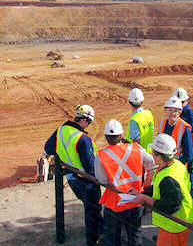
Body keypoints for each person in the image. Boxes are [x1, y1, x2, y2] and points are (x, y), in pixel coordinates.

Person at [44, 105, 101, 246]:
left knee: (91, 208)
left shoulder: (61, 130)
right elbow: (90, 166)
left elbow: (48, 148)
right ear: (83, 121)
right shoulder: (82, 139)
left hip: (71, 178)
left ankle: (101, 228)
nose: (88, 125)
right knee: (92, 211)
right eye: (88, 123)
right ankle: (92, 241)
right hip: (86, 181)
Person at [95, 119, 156, 246]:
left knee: (113, 237)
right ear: (121, 135)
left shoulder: (101, 155)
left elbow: (102, 180)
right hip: (135, 199)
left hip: (115, 202)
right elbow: (151, 161)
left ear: (106, 137)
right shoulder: (135, 149)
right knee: (135, 235)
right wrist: (148, 179)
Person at [130, 134, 193, 246]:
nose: (151, 154)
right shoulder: (176, 165)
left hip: (173, 226)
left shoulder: (168, 178)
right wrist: (142, 193)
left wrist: (145, 199)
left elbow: (169, 206)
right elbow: (159, 189)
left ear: (160, 157)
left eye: (153, 153)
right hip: (182, 220)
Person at [158, 96, 193, 198]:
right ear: (165, 110)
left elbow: (189, 155)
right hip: (163, 166)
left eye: (175, 111)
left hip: (178, 168)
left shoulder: (184, 128)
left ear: (180, 113)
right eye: (170, 110)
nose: (172, 113)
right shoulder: (162, 123)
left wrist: (175, 166)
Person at [126, 88, 154, 152]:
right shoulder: (148, 113)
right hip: (149, 152)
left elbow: (135, 144)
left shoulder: (134, 120)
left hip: (140, 156)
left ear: (130, 102)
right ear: (141, 101)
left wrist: (126, 143)